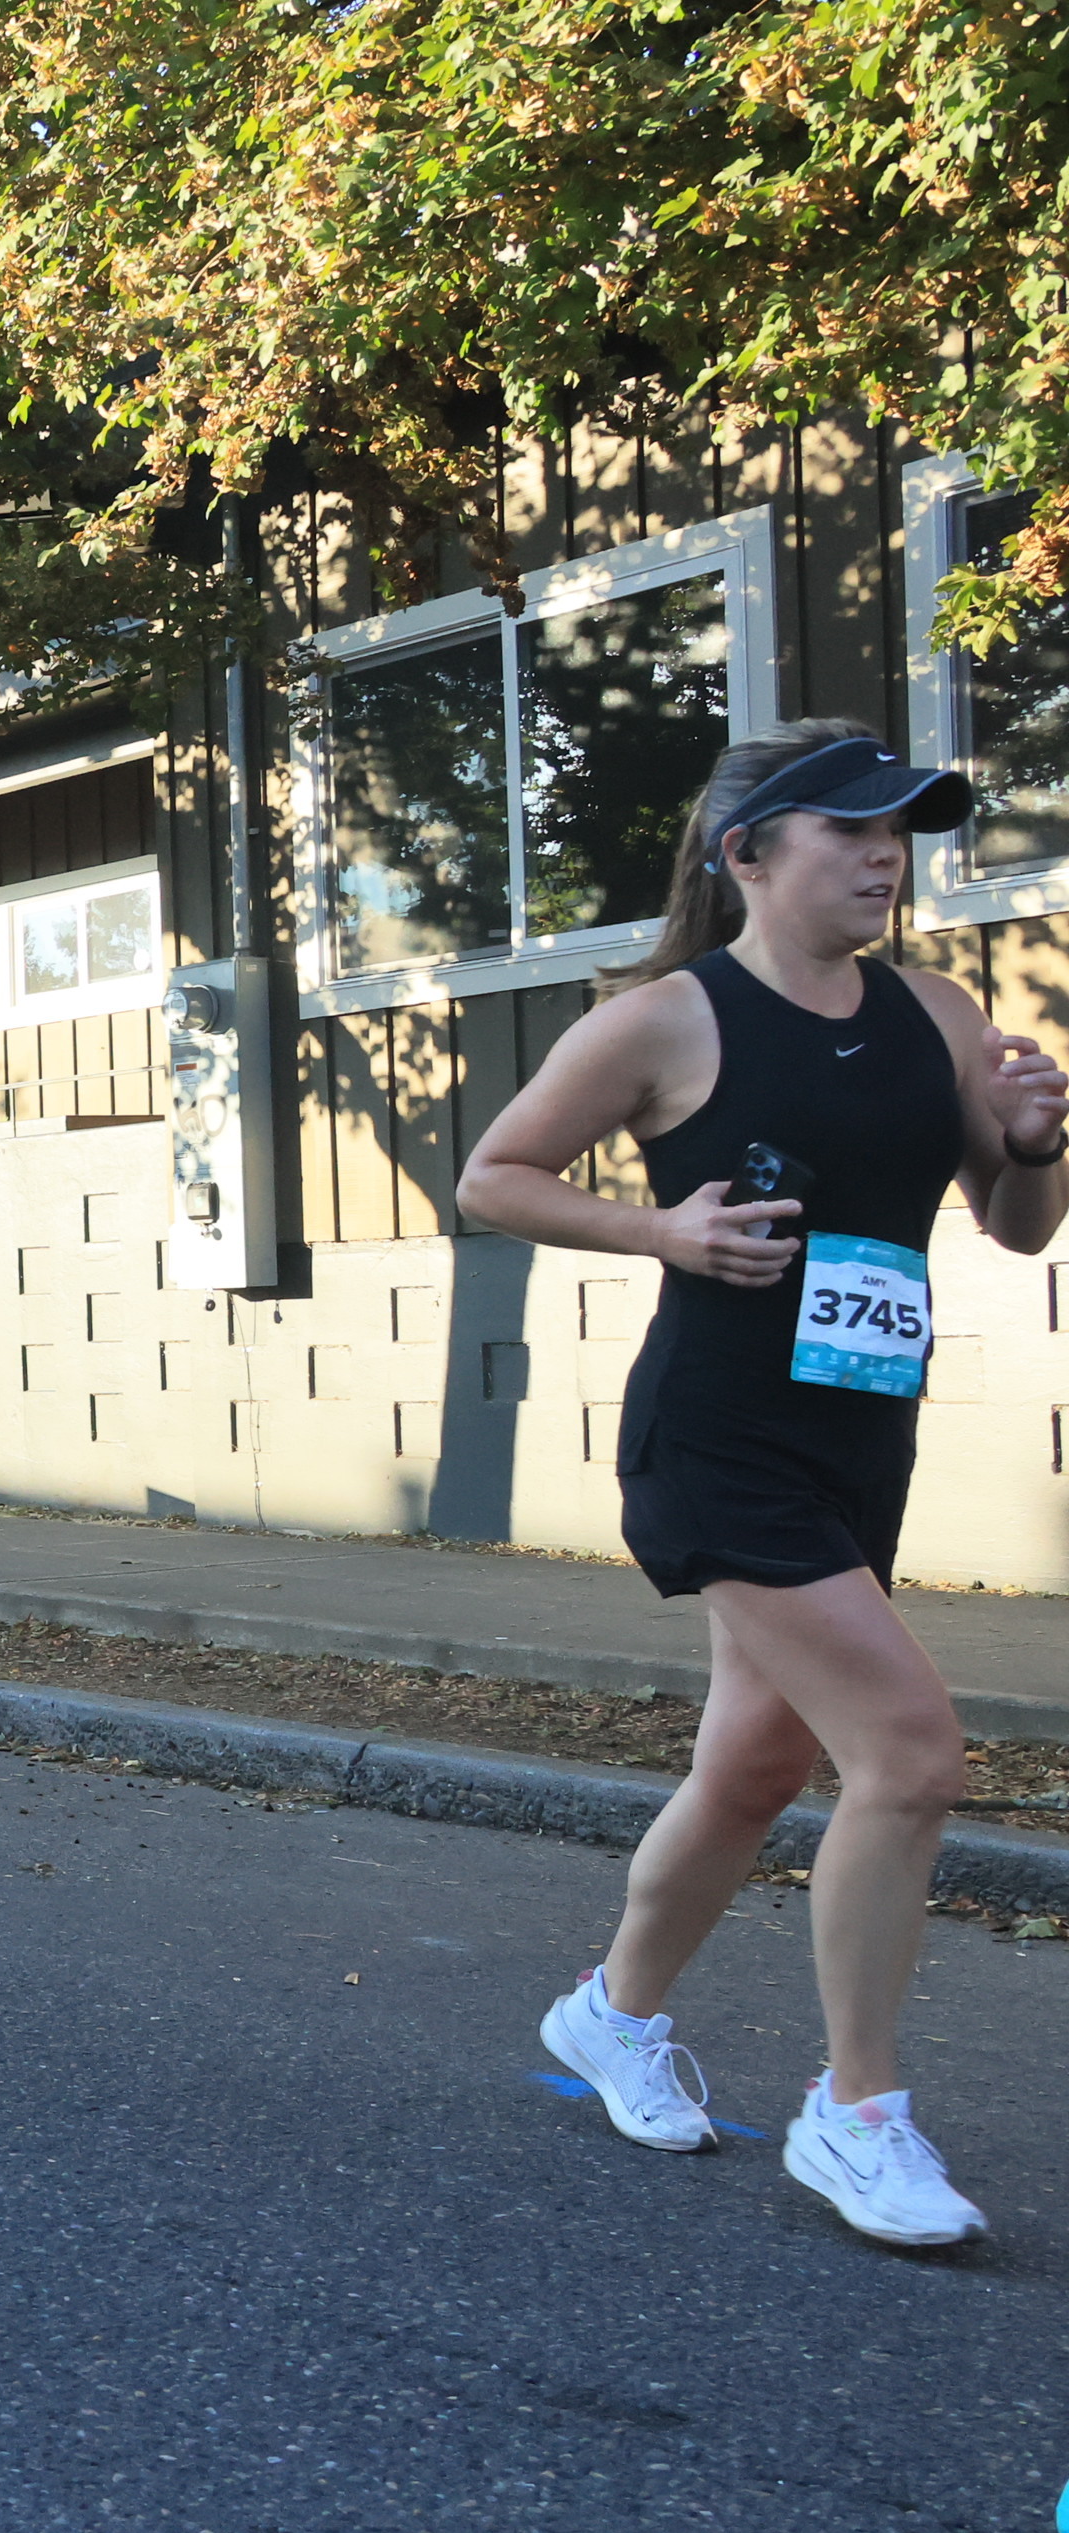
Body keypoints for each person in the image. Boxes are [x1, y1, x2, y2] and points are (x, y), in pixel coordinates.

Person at [457, 722, 1067, 2249]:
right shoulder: (666, 1019)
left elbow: (1017, 1226)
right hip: (716, 1443)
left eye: (900, 833)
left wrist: (1038, 1143)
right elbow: (495, 1175)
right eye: (852, 831)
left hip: (859, 1439)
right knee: (911, 1755)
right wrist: (661, 1233)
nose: (887, 857)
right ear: (748, 855)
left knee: (753, 1768)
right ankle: (856, 2115)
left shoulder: (936, 1010)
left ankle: (611, 2013)